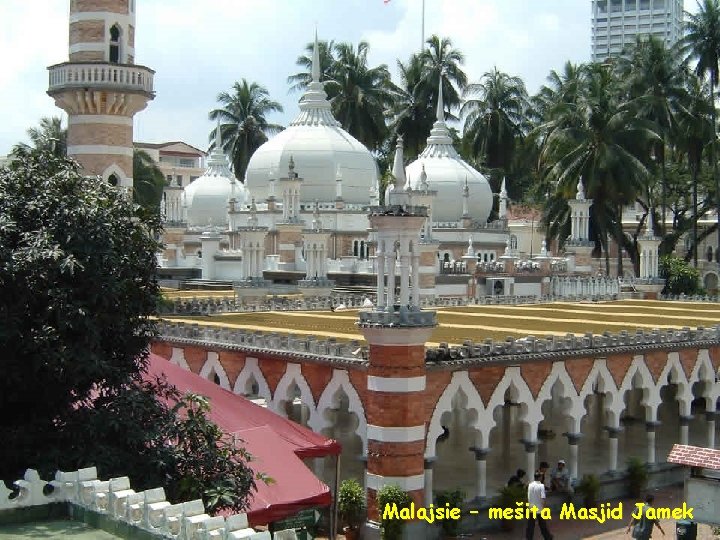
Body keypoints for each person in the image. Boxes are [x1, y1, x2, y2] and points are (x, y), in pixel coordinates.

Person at [526, 472, 553, 540]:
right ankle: (547, 537)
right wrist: (544, 508)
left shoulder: (530, 485)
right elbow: (543, 498)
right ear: (540, 477)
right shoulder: (541, 486)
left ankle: (529, 537)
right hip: (539, 507)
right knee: (542, 524)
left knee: (531, 524)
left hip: (531, 506)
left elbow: (529, 496)